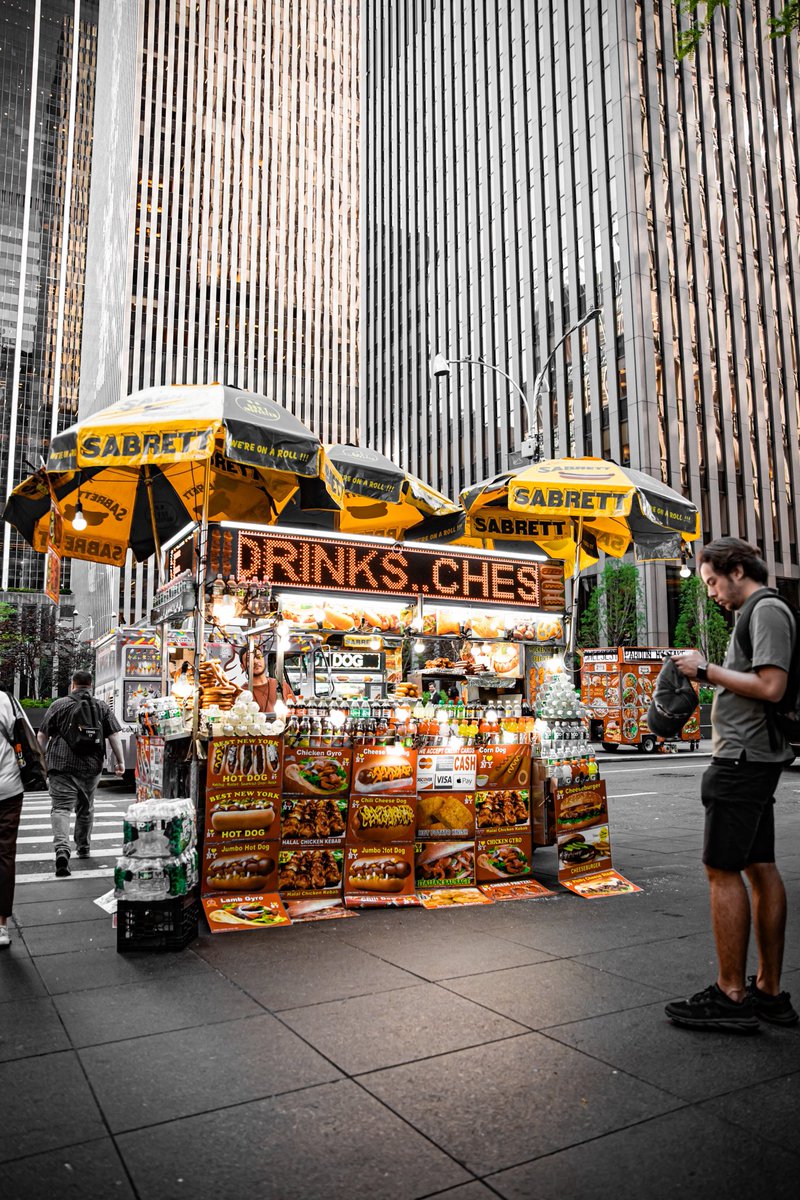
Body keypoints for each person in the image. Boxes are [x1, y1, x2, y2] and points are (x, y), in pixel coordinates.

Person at [666, 537, 797, 1032]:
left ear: (737, 568)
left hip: (742, 759)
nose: (712, 593)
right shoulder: (762, 612)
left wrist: (706, 670)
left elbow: (771, 686)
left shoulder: (765, 610)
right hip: (753, 758)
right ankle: (768, 991)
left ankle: (731, 994)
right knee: (760, 867)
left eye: (712, 581)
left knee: (721, 870)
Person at [38, 670, 125, 877]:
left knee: (60, 808)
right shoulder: (101, 706)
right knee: (86, 807)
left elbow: (42, 734)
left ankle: (61, 849)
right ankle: (83, 847)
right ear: (91, 685)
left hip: (61, 765)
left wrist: (40, 760)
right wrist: (120, 762)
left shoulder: (58, 705)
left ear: (72, 684)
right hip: (90, 766)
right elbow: (114, 736)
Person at [0, 690, 24, 947]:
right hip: (8, 789)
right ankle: (1, 926)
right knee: (5, 854)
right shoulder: (6, 700)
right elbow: (22, 736)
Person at [241, 645, 294, 713]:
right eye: (249, 659)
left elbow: (295, 712)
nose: (255, 661)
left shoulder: (282, 685)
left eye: (258, 657)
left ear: (264, 659)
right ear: (242, 666)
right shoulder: (242, 693)